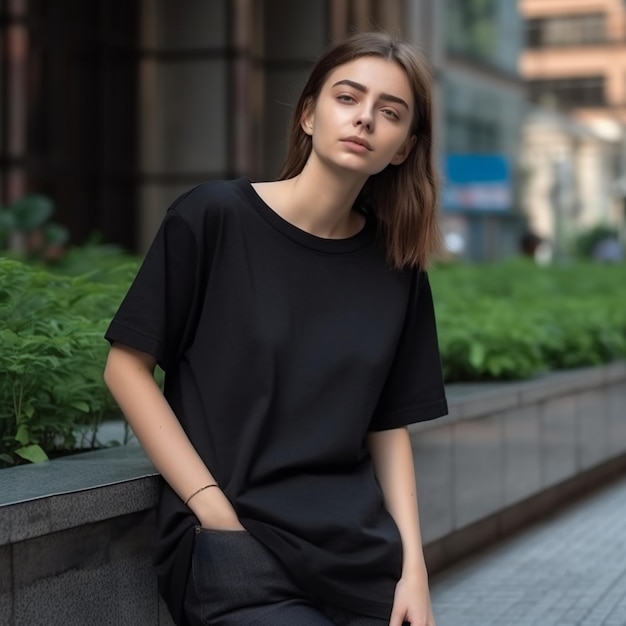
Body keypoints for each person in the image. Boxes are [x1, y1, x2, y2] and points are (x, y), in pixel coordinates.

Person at [103, 31, 448, 626]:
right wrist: (212, 511)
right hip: (235, 547)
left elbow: (387, 425)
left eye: (390, 112)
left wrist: (413, 570)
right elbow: (125, 367)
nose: (365, 118)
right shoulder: (212, 217)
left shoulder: (397, 269)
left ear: (402, 148)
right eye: (348, 97)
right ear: (310, 114)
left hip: (357, 556)